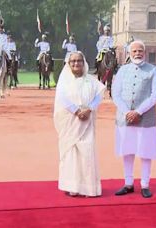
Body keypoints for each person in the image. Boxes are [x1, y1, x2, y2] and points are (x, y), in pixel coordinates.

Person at [111, 40, 156, 198]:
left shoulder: (153, 70)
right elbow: (116, 94)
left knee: (145, 152)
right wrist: (128, 112)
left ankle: (145, 184)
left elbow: (155, 96)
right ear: (129, 53)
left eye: (140, 51)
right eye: (134, 51)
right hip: (124, 118)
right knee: (127, 150)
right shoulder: (122, 71)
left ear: (144, 53)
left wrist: (138, 112)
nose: (138, 53)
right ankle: (128, 183)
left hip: (145, 118)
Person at [54, 51, 106, 197]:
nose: (76, 64)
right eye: (73, 61)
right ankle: (72, 186)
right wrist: (77, 111)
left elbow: (99, 94)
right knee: (71, 154)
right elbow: (62, 99)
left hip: (86, 122)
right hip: (70, 122)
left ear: (84, 63)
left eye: (79, 61)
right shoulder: (64, 81)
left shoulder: (91, 80)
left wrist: (89, 110)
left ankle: (88, 188)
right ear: (68, 64)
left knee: (87, 152)